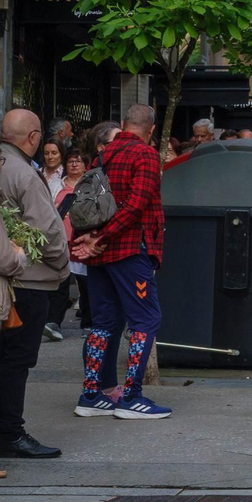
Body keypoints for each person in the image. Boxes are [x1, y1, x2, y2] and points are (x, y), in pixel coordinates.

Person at [71, 104, 172, 420]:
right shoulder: (145, 155)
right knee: (146, 319)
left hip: (101, 255)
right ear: (151, 129)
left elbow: (92, 202)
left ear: (125, 124)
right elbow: (136, 205)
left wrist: (94, 237)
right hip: (129, 250)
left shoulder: (103, 154)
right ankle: (131, 396)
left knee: (104, 321)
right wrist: (102, 238)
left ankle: (91, 394)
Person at [0, 110, 70, 459]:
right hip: (26, 280)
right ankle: (11, 433)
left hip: (12, 280)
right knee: (16, 359)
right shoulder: (23, 174)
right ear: (32, 137)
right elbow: (47, 232)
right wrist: (61, 266)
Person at [48, 149, 86, 336]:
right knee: (61, 280)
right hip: (61, 239)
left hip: (82, 239)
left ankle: (89, 321)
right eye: (70, 161)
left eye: (78, 161)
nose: (74, 164)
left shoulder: (90, 185)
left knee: (85, 282)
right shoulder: (56, 185)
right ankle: (54, 322)